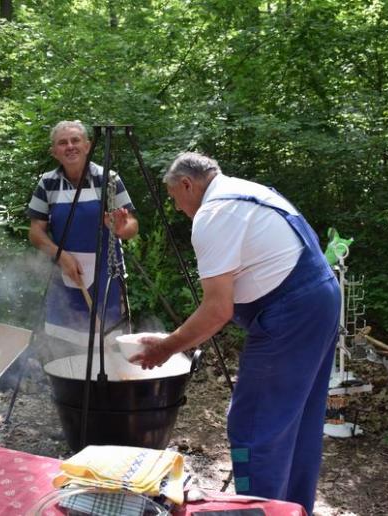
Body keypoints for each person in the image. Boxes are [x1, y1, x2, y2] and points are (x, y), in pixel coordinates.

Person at [130, 152, 339, 514]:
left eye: (174, 198)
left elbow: (217, 310)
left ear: (186, 184)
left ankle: (258, 510)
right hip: (320, 300)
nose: (178, 208)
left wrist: (166, 347)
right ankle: (291, 509)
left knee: (254, 426)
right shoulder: (247, 191)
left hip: (289, 315)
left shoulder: (213, 215)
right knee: (298, 419)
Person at [28, 121, 138, 358]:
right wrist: (60, 255)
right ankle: (72, 389)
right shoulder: (47, 183)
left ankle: (107, 390)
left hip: (105, 275)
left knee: (106, 345)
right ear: (54, 151)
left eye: (75, 140)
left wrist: (120, 227)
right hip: (63, 273)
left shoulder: (108, 179)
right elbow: (36, 232)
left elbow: (132, 226)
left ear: (88, 146)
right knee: (65, 347)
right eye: (63, 142)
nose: (70, 146)